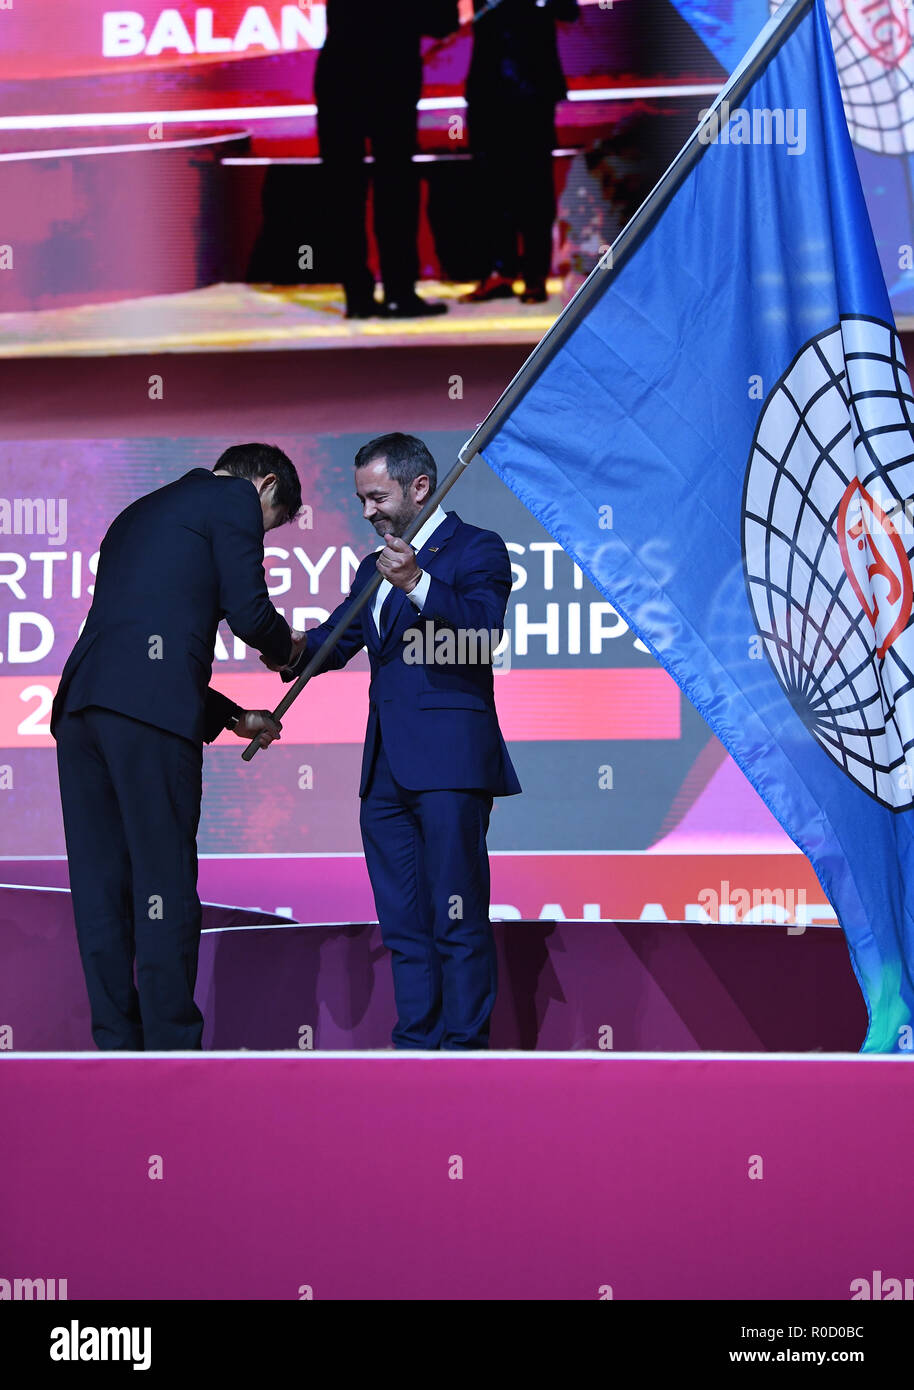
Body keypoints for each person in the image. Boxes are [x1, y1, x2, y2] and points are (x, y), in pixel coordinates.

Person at [267, 433, 520, 1049]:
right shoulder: (370, 567)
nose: (368, 512)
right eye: (360, 500)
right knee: (403, 922)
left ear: (420, 488)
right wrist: (288, 646)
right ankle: (415, 1046)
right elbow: (337, 639)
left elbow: (483, 633)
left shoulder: (475, 548)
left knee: (454, 915)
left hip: (449, 765)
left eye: (377, 497)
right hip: (383, 771)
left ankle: (463, 1050)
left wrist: (416, 583)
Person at [51, 444, 307, 1051]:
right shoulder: (232, 498)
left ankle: (116, 1043)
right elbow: (250, 614)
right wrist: (289, 651)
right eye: (269, 526)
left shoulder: (141, 511)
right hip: (147, 719)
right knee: (162, 878)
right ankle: (171, 1048)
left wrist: (232, 715)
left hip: (83, 712)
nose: (260, 538)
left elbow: (144, 638)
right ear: (264, 484)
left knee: (100, 885)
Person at [316, 0, 459, 319]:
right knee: (393, 188)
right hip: (390, 75)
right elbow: (442, 20)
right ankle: (397, 293)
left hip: (342, 74)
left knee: (346, 190)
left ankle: (358, 296)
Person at [461, 0, 579, 305]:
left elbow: (568, 9)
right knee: (489, 186)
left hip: (533, 86)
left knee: (533, 185)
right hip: (487, 86)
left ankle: (534, 275)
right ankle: (500, 271)